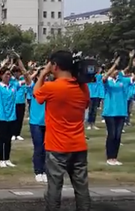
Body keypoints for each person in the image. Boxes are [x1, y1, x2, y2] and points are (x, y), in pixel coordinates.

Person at [33, 50, 91, 211]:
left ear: (55, 65)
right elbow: (86, 103)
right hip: (78, 144)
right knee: (82, 188)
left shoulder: (51, 87)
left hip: (57, 146)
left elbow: (36, 95)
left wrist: (43, 74)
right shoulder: (82, 87)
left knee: (54, 187)